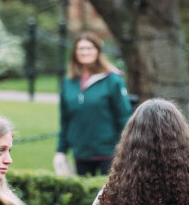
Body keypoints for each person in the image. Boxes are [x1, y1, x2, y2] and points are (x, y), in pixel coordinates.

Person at [55, 32, 133, 177]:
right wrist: (61, 151)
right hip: (81, 152)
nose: (85, 52)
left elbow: (124, 117)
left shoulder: (113, 80)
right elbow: (65, 120)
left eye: (89, 48)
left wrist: (126, 148)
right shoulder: (68, 83)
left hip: (109, 152)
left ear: (97, 51)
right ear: (75, 53)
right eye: (81, 49)